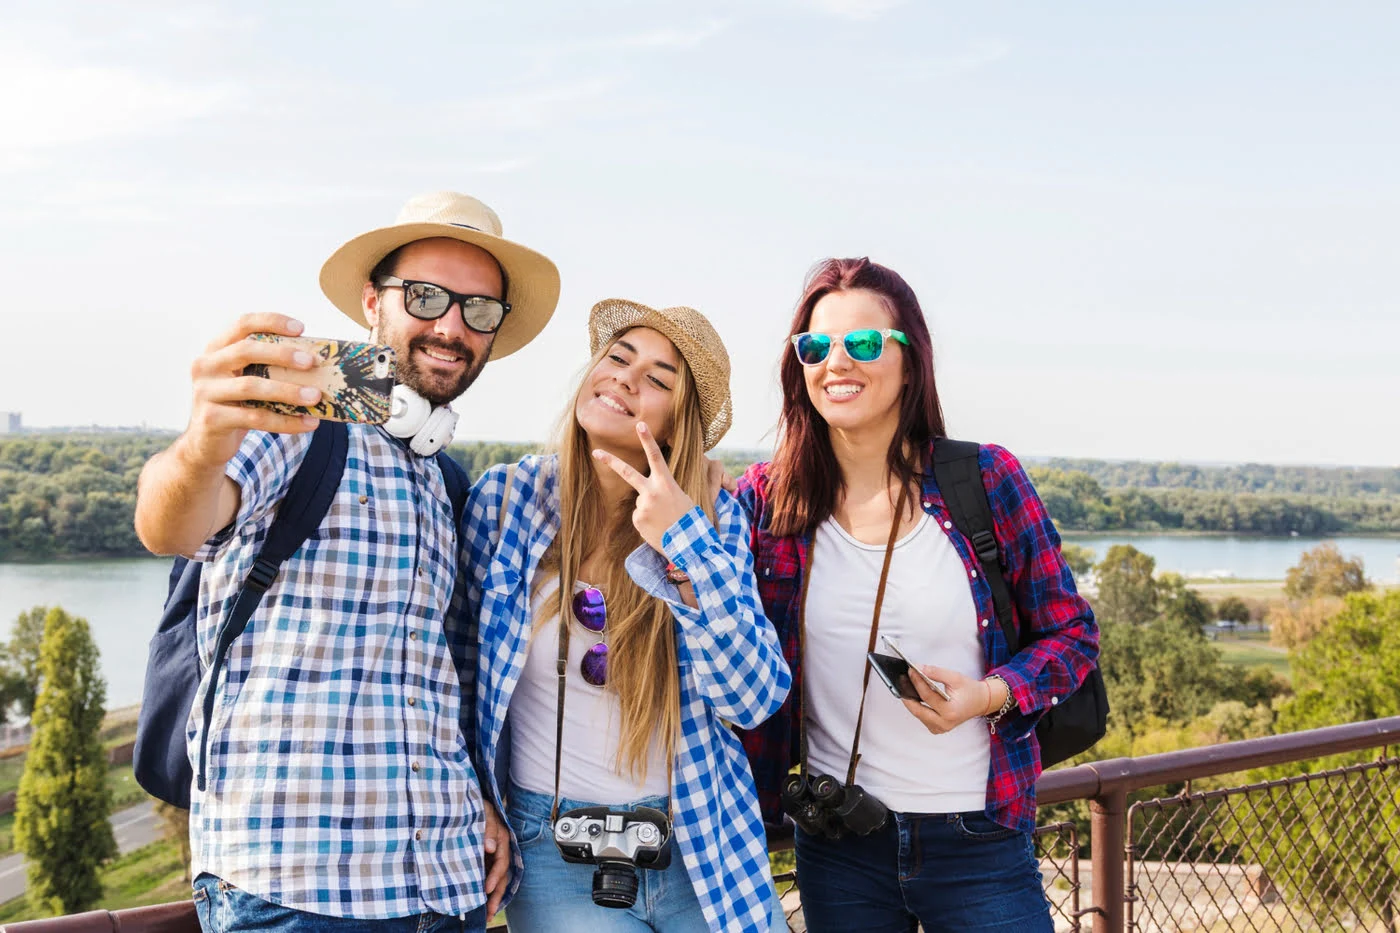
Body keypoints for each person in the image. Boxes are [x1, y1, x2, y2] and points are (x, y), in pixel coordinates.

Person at [133, 191, 560, 933]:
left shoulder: (445, 481)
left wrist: (479, 800)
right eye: (425, 296)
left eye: (479, 309)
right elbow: (170, 524)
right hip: (300, 892)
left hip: (446, 888)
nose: (450, 326)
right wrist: (202, 444)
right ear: (372, 302)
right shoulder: (297, 426)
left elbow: (433, 683)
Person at [736, 258, 1099, 933]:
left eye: (863, 342)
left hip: (979, 837)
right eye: (815, 346)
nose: (837, 362)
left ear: (911, 363)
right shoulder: (767, 500)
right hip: (838, 843)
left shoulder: (984, 479)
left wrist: (986, 695)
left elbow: (1073, 634)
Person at [461, 299, 792, 933]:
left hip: (700, 842)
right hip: (553, 850)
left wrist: (684, 543)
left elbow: (753, 698)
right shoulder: (506, 501)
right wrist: (475, 797)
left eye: (658, 379)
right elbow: (458, 668)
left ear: (675, 427)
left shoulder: (713, 520)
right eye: (618, 357)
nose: (626, 377)